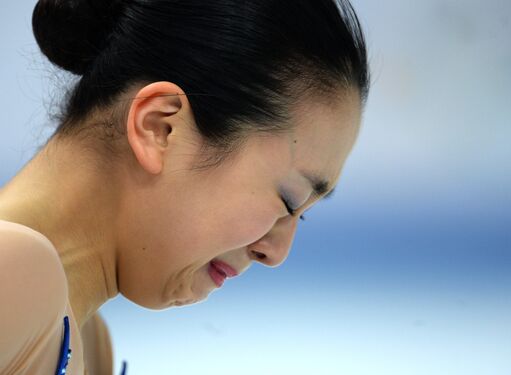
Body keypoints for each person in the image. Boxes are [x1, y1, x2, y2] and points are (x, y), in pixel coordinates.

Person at [0, 0, 371, 373]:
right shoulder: (13, 269)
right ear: (160, 128)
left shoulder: (88, 342)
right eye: (289, 201)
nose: (277, 253)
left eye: (300, 218)